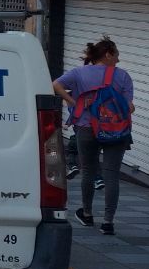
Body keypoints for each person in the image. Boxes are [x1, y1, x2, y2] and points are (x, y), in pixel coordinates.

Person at [53, 37, 134, 235]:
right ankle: (108, 222)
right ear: (108, 54)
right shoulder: (123, 76)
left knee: (88, 171)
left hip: (86, 127)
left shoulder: (79, 73)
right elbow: (129, 107)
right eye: (116, 54)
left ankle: (87, 214)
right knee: (112, 174)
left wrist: (74, 103)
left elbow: (55, 84)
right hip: (116, 131)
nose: (118, 59)